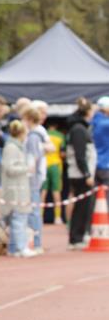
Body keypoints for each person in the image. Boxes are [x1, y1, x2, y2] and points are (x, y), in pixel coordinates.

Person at [1, 120, 36, 258]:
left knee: (17, 218)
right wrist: (27, 168)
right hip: (15, 188)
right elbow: (9, 168)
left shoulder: (16, 147)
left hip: (18, 187)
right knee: (19, 218)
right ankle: (20, 247)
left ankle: (14, 248)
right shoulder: (12, 148)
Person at [67, 99, 97, 249]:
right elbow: (80, 155)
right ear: (87, 111)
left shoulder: (81, 128)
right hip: (80, 175)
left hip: (81, 173)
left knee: (84, 206)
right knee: (82, 207)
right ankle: (76, 238)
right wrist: (87, 174)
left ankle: (79, 236)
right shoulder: (79, 129)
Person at [23, 106, 45, 254]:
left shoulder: (33, 136)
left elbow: (33, 157)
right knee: (34, 210)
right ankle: (35, 242)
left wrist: (28, 172)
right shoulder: (37, 135)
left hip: (32, 178)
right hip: (36, 176)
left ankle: (35, 243)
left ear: (29, 119)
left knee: (33, 211)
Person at [44, 117, 66, 225]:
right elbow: (62, 153)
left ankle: (39, 217)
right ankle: (58, 217)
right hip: (56, 166)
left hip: (44, 165)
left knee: (42, 192)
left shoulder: (43, 134)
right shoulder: (60, 136)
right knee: (56, 191)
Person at [92, 96, 109, 191]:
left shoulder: (92, 121)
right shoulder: (105, 123)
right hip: (105, 164)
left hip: (93, 164)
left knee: (95, 194)